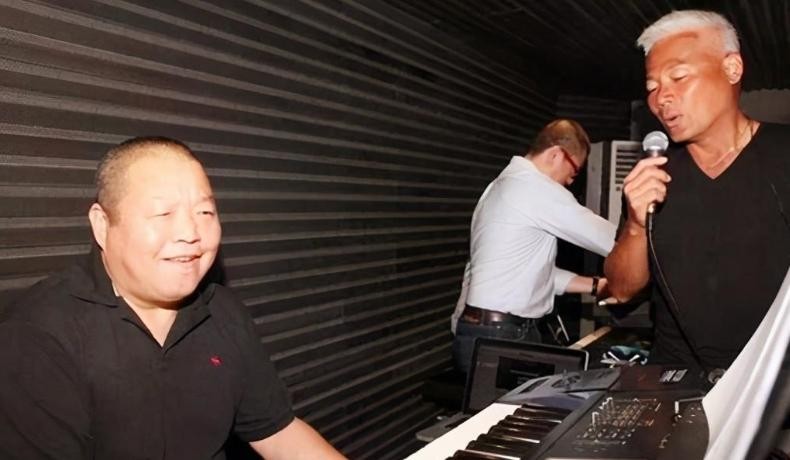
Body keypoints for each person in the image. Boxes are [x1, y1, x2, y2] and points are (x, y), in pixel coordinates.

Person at [0, 137, 346, 460]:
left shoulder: (223, 311)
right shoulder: (39, 335)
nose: (190, 233)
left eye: (205, 213)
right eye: (163, 213)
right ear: (102, 225)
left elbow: (279, 433)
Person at [604, 10, 790, 374]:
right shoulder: (655, 173)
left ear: (732, 68)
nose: (662, 98)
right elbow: (621, 289)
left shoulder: (784, 153)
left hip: (772, 386)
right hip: (676, 381)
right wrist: (636, 225)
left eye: (678, 77)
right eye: (652, 87)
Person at [452, 119, 617, 373]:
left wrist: (596, 286)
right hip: (502, 334)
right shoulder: (535, 188)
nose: (571, 181)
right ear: (556, 154)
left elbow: (531, 273)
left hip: (482, 330)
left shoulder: (500, 186)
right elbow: (610, 240)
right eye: (574, 171)